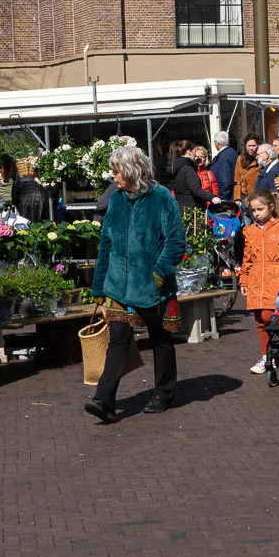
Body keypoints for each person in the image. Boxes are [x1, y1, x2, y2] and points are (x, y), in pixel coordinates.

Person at [85, 143, 187, 422]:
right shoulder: (116, 200)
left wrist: (158, 273)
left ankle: (164, 392)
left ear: (131, 171)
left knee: (160, 339)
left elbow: (176, 242)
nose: (112, 177)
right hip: (119, 285)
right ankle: (103, 399)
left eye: (116, 172)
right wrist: (98, 287)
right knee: (117, 339)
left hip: (153, 287)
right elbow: (106, 244)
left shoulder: (161, 198)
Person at [239, 190, 279, 374]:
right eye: (253, 210)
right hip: (256, 278)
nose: (256, 214)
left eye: (260, 209)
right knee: (259, 320)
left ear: (271, 207)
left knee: (268, 316)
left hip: (275, 277)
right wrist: (244, 280)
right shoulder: (250, 231)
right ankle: (266, 356)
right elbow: (246, 257)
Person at [167, 142, 212, 210]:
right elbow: (196, 189)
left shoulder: (177, 167)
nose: (195, 155)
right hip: (191, 210)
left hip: (181, 207)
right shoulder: (188, 169)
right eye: (194, 152)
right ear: (189, 152)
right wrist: (213, 197)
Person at [207, 131, 239, 198]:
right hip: (231, 194)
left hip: (226, 197)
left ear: (217, 143)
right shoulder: (232, 152)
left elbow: (225, 180)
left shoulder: (223, 156)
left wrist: (221, 198)